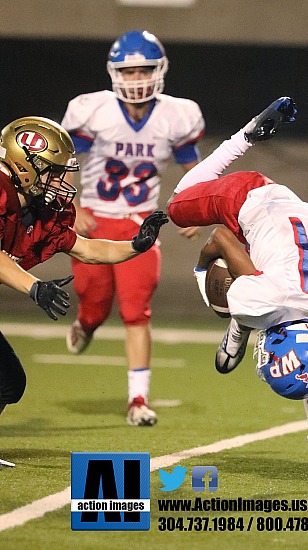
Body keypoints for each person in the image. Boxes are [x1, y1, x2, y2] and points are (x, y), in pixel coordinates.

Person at [167, 97, 308, 479]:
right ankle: (247, 135)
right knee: (177, 207)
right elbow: (222, 237)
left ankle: (242, 318)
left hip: (302, 224)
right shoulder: (267, 299)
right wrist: (201, 267)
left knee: (251, 302)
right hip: (251, 199)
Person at [0, 115, 168, 466]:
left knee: (8, 383)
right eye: (53, 170)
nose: (61, 181)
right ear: (23, 164)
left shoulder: (43, 209)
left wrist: (135, 246)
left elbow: (89, 249)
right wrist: (34, 288)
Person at [61, 30, 205, 427]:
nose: (137, 79)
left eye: (145, 71)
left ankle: (137, 400)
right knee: (94, 304)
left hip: (139, 223)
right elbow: (64, 163)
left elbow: (194, 169)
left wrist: (195, 210)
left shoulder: (176, 115)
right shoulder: (93, 111)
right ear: (114, 74)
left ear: (159, 72)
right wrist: (72, 207)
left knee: (136, 312)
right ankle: (87, 324)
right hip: (93, 219)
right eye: (129, 71)